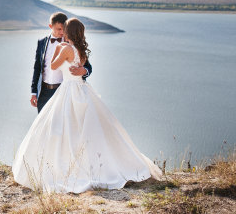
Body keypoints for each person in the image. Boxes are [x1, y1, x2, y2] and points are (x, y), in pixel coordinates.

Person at [13, 18, 162, 193]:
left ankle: (66, 164)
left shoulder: (65, 48)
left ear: (68, 32)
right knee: (82, 129)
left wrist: (62, 51)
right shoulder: (81, 50)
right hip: (81, 90)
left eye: (64, 29)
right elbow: (41, 68)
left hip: (68, 90)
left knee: (64, 128)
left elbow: (54, 65)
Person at [31, 12, 92, 113]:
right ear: (50, 26)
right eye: (59, 29)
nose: (62, 32)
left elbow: (88, 67)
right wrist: (34, 92)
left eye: (64, 29)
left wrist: (84, 71)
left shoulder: (72, 44)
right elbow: (37, 68)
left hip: (63, 92)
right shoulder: (42, 42)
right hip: (44, 92)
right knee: (43, 120)